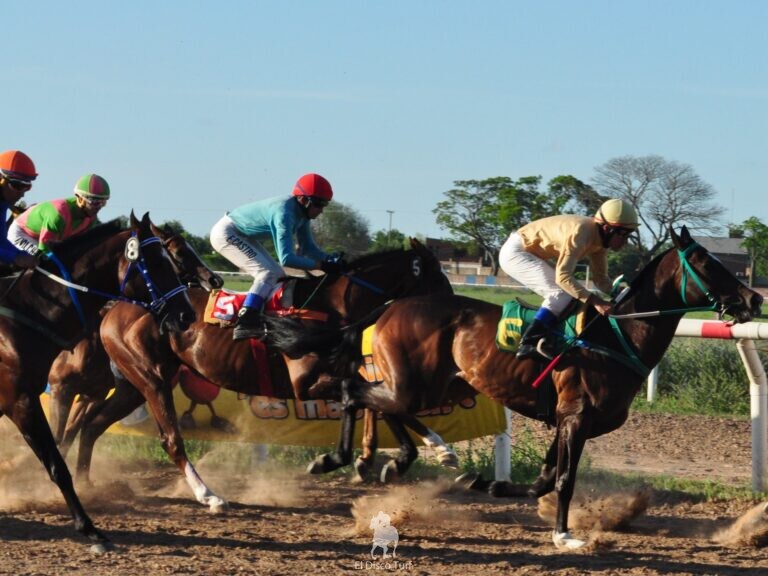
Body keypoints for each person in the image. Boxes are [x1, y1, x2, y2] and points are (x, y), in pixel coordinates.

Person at [498, 198, 639, 359]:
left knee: (572, 295)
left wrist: (622, 293)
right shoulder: (580, 232)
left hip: (533, 253)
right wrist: (597, 302)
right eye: (623, 233)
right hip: (516, 252)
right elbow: (563, 278)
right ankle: (529, 342)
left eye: (629, 234)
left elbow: (601, 280)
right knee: (562, 293)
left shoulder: (600, 243)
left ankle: (550, 337)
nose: (625, 240)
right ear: (607, 228)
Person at [210, 172, 345, 340]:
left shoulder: (302, 214)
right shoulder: (285, 214)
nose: (321, 211)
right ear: (303, 200)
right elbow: (286, 259)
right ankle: (245, 321)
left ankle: (264, 315)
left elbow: (309, 248)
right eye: (318, 204)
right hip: (226, 233)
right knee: (266, 274)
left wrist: (330, 259)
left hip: (241, 234)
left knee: (278, 275)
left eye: (324, 205)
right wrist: (320, 265)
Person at [8, 173, 110, 255]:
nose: (99, 207)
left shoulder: (91, 219)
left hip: (44, 238)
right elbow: (45, 249)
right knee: (39, 258)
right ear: (80, 199)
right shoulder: (59, 214)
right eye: (95, 202)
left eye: (103, 202)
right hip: (22, 233)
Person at [0, 150, 39, 269]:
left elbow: (2, 241)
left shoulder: (3, 203)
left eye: (26, 187)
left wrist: (28, 255)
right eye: (17, 186)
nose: (22, 194)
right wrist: (17, 256)